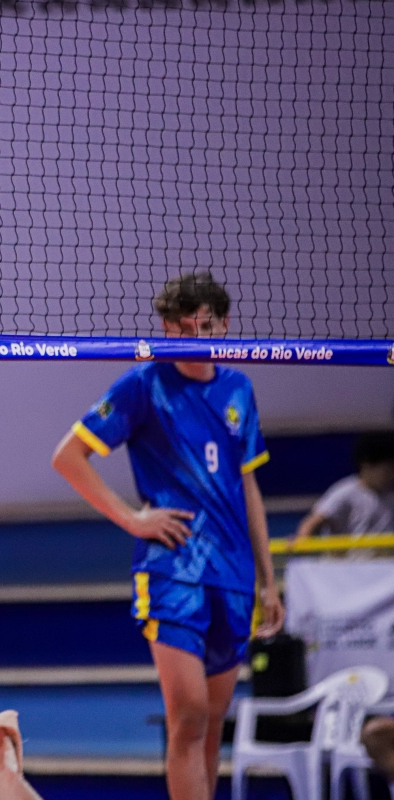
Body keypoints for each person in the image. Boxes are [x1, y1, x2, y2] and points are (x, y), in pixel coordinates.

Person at [51, 272, 284, 800]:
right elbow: (68, 457)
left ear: (224, 326)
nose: (195, 336)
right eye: (183, 326)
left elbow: (248, 488)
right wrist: (133, 519)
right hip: (173, 569)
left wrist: (268, 580)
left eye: (205, 326)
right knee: (189, 716)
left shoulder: (238, 389)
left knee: (213, 724)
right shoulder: (143, 384)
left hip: (233, 572)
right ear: (166, 328)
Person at [291, 432, 394, 546]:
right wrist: (302, 541)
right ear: (366, 466)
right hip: (351, 556)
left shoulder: (391, 495)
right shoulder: (346, 492)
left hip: (386, 556)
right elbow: (313, 522)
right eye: (387, 470)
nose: (391, 476)